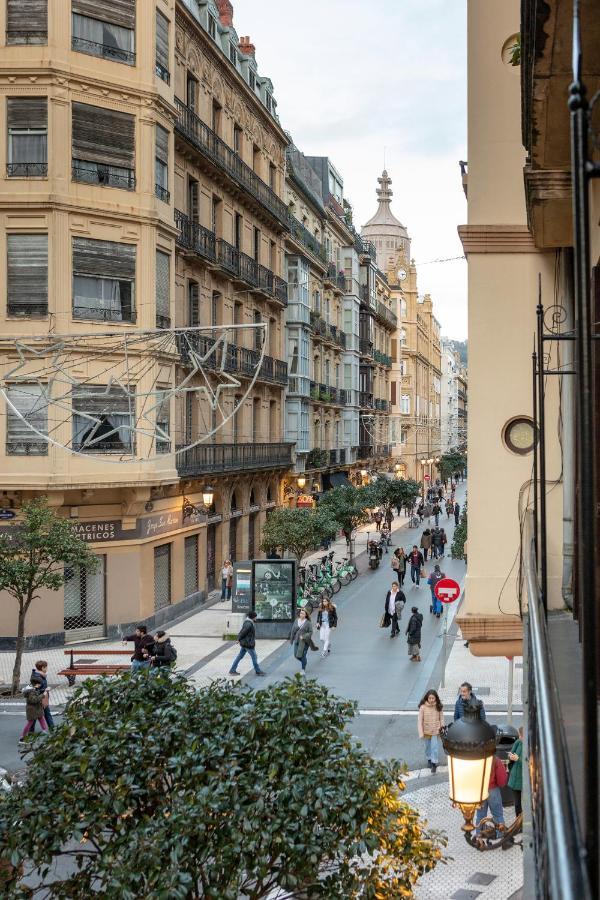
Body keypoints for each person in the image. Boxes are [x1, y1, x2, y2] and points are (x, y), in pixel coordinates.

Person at [475, 753, 508, 836]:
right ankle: (500, 834)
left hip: (480, 790)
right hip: (493, 790)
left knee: (480, 815)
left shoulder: (476, 759)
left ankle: (479, 835)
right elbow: (502, 780)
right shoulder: (495, 760)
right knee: (498, 815)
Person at [229, 611, 266, 676]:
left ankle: (232, 670)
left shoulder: (249, 622)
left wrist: (239, 639)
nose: (256, 618)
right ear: (253, 617)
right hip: (248, 644)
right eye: (255, 617)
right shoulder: (248, 624)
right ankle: (258, 671)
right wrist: (238, 639)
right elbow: (243, 632)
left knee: (239, 657)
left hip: (245, 643)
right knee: (254, 657)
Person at [418, 690, 445, 774]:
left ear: (436, 698)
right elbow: (420, 721)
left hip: (435, 730)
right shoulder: (423, 707)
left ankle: (434, 763)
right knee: (428, 747)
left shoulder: (438, 706)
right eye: (430, 698)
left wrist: (442, 729)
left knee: (434, 748)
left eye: (433, 698)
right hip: (426, 731)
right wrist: (421, 732)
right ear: (427, 698)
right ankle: (429, 758)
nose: (431, 699)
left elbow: (441, 719)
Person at [19, 677, 48, 743]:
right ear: (36, 684)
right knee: (30, 723)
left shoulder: (33, 689)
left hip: (36, 709)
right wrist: (43, 695)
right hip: (32, 710)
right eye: (39, 684)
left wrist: (43, 691)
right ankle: (22, 738)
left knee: (41, 718)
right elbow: (34, 700)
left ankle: (44, 730)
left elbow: (35, 695)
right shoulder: (31, 691)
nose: (40, 685)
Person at [31, 660, 54, 731]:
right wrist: (45, 690)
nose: (47, 669)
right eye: (46, 667)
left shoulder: (40, 675)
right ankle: (53, 729)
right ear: (42, 668)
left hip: (43, 698)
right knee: (38, 716)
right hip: (40, 698)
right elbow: (36, 689)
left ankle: (53, 729)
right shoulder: (38, 677)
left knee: (45, 714)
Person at [507, 726, 524, 821]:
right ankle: (518, 822)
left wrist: (518, 759)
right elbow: (512, 754)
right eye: (520, 736)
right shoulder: (518, 742)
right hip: (515, 778)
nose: (520, 738)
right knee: (517, 804)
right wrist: (511, 756)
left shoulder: (530, 746)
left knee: (526, 803)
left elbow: (530, 763)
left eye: (521, 736)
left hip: (523, 779)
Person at [290, 608, 313, 674]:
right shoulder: (296, 620)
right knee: (296, 655)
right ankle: (304, 661)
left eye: (303, 613)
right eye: (300, 613)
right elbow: (293, 630)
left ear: (306, 615)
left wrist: (304, 636)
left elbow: (311, 632)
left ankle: (303, 669)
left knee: (302, 655)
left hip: (304, 642)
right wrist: (291, 640)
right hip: (297, 640)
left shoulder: (308, 623)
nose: (301, 614)